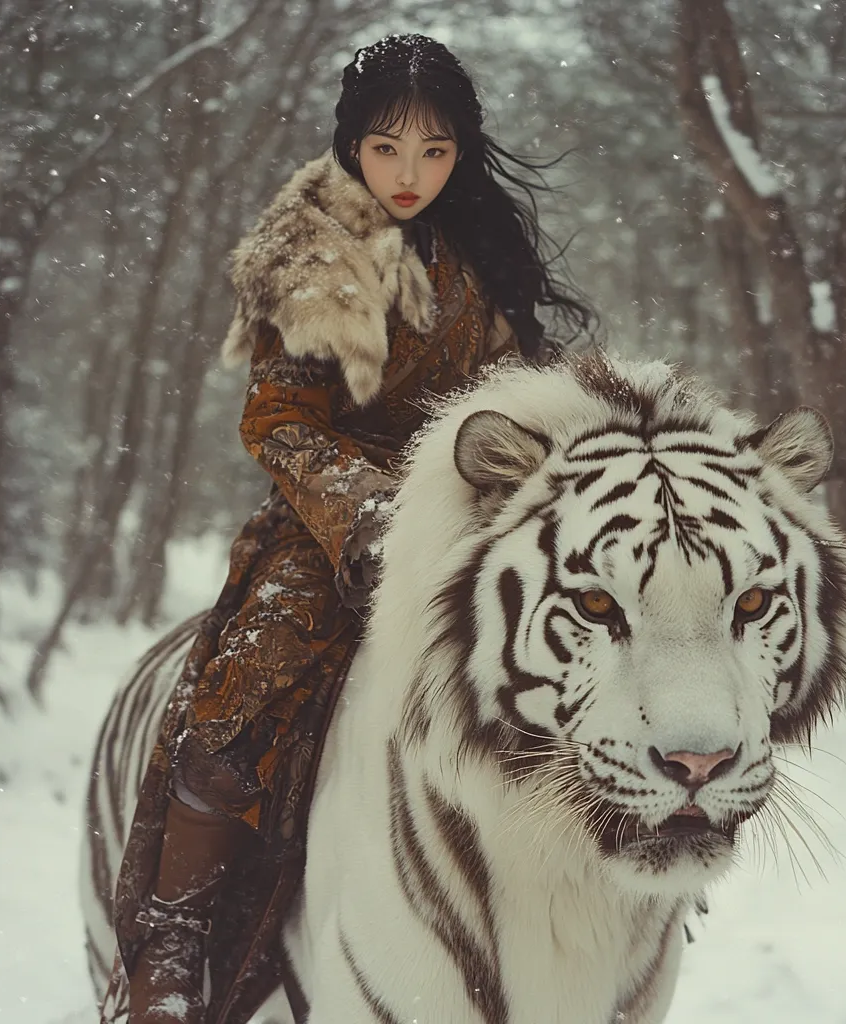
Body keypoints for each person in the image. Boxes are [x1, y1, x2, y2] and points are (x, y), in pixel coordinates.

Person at [99, 32, 591, 1024]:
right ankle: (172, 941)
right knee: (247, 689)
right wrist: (373, 510)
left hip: (470, 520)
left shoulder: (481, 250)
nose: (409, 173)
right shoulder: (310, 244)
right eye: (386, 147)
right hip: (332, 527)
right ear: (350, 143)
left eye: (433, 150)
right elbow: (277, 421)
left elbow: (521, 399)